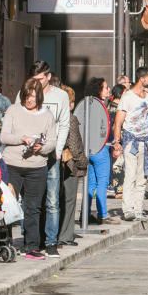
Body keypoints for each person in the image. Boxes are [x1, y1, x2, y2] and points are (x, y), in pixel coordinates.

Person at [1, 78, 56, 261]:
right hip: (12, 164)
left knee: (33, 207)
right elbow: (4, 136)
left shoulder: (47, 115)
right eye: (26, 96)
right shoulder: (13, 110)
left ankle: (32, 245)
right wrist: (22, 138)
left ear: (39, 96)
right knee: (7, 204)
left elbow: (52, 142)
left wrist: (42, 148)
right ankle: (4, 243)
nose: (29, 100)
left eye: (32, 96)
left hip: (36, 167)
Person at [24, 61, 71, 258]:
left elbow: (64, 124)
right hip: (30, 154)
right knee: (31, 200)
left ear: (48, 77)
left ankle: (51, 241)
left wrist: (58, 150)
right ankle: (32, 241)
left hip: (51, 154)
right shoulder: (26, 92)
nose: (37, 83)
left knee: (52, 200)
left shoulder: (60, 96)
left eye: (40, 79)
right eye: (34, 79)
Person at [112, 67, 148, 222]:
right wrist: (117, 141)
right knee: (130, 176)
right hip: (130, 141)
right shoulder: (127, 97)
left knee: (142, 178)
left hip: (145, 141)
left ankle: (138, 209)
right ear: (142, 79)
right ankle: (128, 209)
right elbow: (118, 121)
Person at [76, 78, 117, 225]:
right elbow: (104, 129)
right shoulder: (100, 106)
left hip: (88, 149)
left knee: (90, 184)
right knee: (102, 183)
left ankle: (85, 214)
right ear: (98, 90)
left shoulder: (87, 105)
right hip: (100, 148)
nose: (108, 90)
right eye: (105, 87)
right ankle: (103, 214)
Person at [57, 86, 88, 247]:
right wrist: (84, 161)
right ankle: (66, 235)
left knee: (54, 201)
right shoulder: (70, 119)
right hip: (69, 165)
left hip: (54, 162)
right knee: (69, 201)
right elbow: (75, 146)